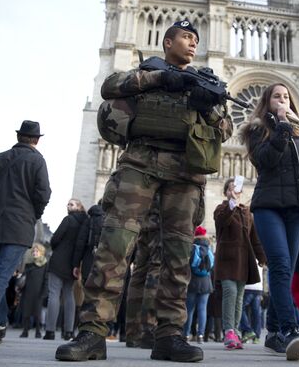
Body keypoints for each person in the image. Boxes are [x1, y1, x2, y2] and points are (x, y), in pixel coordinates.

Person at [55, 20, 232, 363]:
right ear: (167, 43)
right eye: (185, 37)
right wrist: (160, 78)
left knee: (177, 256)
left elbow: (225, 128)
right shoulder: (146, 72)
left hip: (185, 174)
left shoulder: (204, 82)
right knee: (114, 247)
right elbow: (110, 87)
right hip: (140, 165)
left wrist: (208, 106)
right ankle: (93, 333)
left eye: (196, 39)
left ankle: (169, 336)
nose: (193, 43)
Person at [239, 83, 299, 361]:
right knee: (280, 266)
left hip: (297, 209)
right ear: (267, 102)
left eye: (286, 97)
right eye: (276, 96)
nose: (282, 100)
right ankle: (291, 330)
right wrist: (281, 126)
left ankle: (272, 332)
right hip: (269, 206)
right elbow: (265, 161)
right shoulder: (257, 130)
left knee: (287, 272)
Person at [0, 120, 51, 344]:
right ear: (36, 140)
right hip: (19, 226)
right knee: (0, 276)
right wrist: (33, 214)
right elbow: (43, 194)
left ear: (18, 137)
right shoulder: (37, 160)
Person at [214, 178, 267, 350]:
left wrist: (262, 257)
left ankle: (236, 331)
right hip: (227, 259)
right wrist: (231, 204)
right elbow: (222, 221)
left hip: (243, 260)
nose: (234, 192)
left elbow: (254, 238)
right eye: (230, 189)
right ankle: (228, 330)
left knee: (238, 298)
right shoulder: (221, 209)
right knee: (229, 292)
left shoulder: (246, 213)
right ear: (226, 192)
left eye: (236, 190)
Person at [43, 199, 88, 341]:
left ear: (79, 207)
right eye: (68, 203)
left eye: (72, 204)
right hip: (73, 264)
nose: (68, 205)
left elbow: (55, 238)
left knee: (54, 293)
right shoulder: (85, 222)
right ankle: (68, 331)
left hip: (59, 260)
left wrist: (56, 247)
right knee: (69, 295)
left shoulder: (68, 219)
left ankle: (50, 331)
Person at [124, 195, 162, 349]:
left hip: (141, 216)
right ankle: (148, 329)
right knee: (156, 269)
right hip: (160, 217)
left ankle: (132, 333)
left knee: (139, 273)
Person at [182, 226, 214, 344]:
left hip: (192, 281)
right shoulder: (208, 248)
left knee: (189, 309)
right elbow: (212, 265)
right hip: (206, 282)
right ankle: (200, 335)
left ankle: (186, 334)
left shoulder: (192, 247)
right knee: (202, 308)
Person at [20, 243, 48, 338]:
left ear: (42, 253)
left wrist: (44, 292)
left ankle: (38, 331)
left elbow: (46, 279)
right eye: (33, 251)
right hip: (27, 291)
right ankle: (25, 331)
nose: (35, 253)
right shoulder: (29, 265)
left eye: (37, 251)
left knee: (37, 313)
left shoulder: (45, 265)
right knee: (26, 312)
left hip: (38, 292)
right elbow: (24, 277)